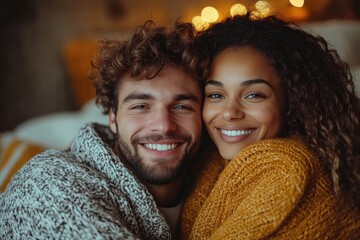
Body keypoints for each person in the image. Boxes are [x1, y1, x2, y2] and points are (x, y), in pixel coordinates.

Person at [0, 20, 203, 239]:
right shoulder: (45, 185)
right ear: (113, 118)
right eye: (140, 106)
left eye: (182, 106)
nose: (164, 125)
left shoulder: (212, 179)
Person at [179, 13, 360, 239]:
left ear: (291, 101)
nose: (229, 112)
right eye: (216, 94)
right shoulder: (208, 163)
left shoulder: (286, 167)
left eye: (254, 95)